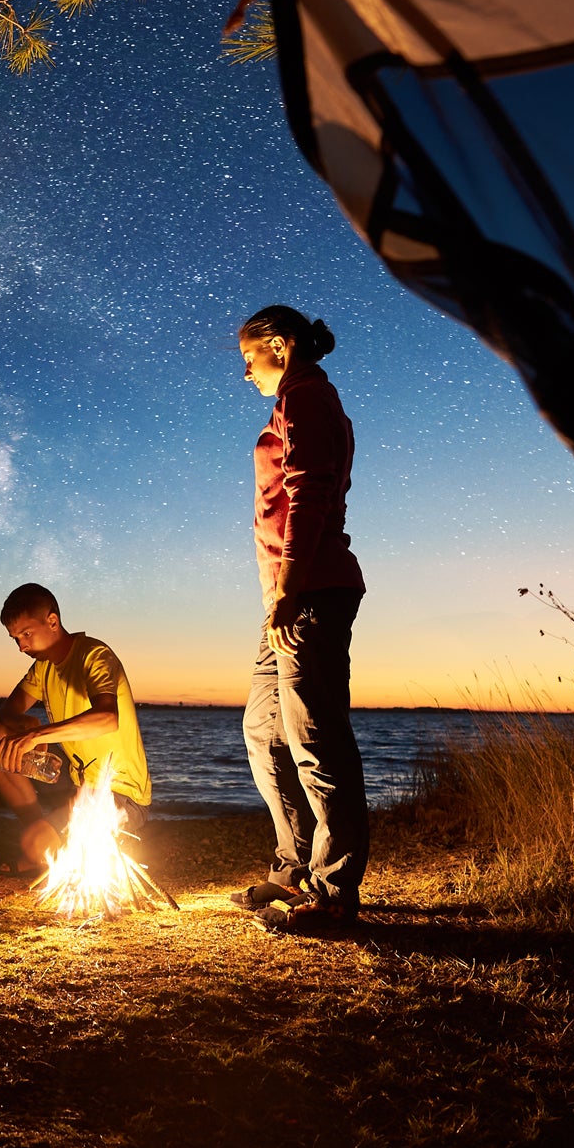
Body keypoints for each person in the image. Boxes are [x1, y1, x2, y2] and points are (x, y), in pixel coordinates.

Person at [234, 305, 368, 933]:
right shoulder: (296, 400)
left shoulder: (309, 397)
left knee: (316, 740)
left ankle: (335, 893)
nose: (245, 373)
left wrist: (289, 591)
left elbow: (311, 495)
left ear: (279, 347)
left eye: (248, 359)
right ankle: (291, 868)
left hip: (309, 593)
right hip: (284, 599)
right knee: (263, 730)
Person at [0, 583, 152, 869]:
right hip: (73, 781)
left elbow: (107, 718)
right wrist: (23, 724)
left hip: (119, 793)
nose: (21, 646)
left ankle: (47, 845)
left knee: (33, 847)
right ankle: (44, 834)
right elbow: (5, 712)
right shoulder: (43, 666)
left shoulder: (94, 655)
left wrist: (36, 735)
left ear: (52, 621)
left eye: (26, 634)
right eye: (15, 638)